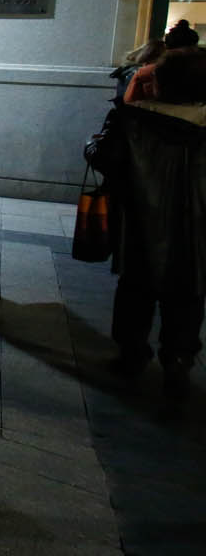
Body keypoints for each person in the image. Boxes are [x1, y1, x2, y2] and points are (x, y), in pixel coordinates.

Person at [95, 46, 206, 400]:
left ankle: (132, 353)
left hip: (143, 220)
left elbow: (105, 158)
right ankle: (178, 358)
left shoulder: (132, 120)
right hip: (197, 228)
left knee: (136, 290)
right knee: (188, 294)